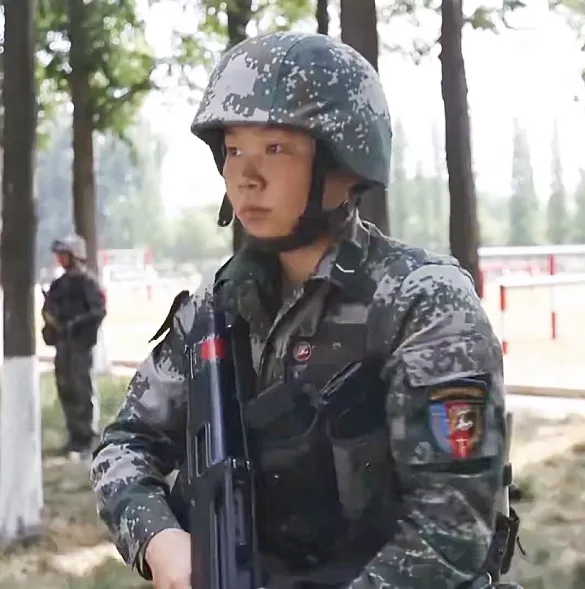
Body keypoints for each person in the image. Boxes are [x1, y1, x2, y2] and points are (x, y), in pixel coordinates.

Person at [91, 32, 523, 589]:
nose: (246, 176)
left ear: (344, 164)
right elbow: (125, 444)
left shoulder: (423, 304)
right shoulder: (216, 310)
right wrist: (160, 541)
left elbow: (451, 532)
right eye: (234, 150)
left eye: (275, 149)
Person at [42, 233, 106, 459]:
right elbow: (48, 311)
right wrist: (51, 323)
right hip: (63, 346)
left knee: (81, 390)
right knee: (65, 389)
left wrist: (75, 324)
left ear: (75, 255)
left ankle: (86, 438)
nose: (60, 259)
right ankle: (73, 437)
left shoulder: (88, 283)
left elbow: (98, 311)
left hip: (80, 345)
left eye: (64, 255)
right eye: (59, 255)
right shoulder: (58, 285)